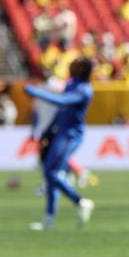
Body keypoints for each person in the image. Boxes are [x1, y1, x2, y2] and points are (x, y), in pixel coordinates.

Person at [24, 57, 96, 230]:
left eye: (75, 64)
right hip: (59, 134)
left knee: (51, 172)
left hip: (71, 136)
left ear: (82, 69)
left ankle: (80, 201)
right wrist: (47, 132)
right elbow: (60, 111)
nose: (71, 65)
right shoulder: (72, 84)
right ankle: (49, 218)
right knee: (50, 174)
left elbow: (62, 101)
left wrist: (35, 92)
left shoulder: (85, 90)